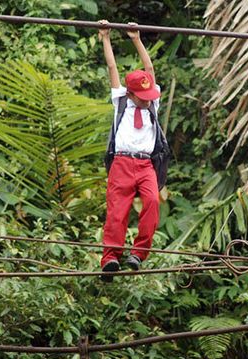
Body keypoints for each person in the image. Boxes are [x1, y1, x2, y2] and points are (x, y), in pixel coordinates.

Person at [98, 20, 171, 282]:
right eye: (143, 95)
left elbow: (149, 68)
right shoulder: (120, 102)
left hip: (145, 165)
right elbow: (112, 67)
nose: (148, 97)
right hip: (121, 163)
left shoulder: (153, 104)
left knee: (152, 202)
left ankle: (139, 254)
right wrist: (106, 37)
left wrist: (136, 38)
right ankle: (110, 259)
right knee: (117, 211)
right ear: (130, 94)